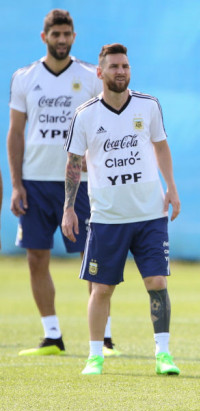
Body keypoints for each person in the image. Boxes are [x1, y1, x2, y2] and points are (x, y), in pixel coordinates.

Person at [62, 43, 181, 376]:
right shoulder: (85, 114)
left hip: (149, 214)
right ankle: (95, 356)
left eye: (125, 66)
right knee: (101, 289)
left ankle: (163, 355)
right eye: (114, 67)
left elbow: (161, 146)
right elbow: (73, 163)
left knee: (157, 282)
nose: (121, 72)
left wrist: (171, 188)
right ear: (100, 73)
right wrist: (68, 208)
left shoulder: (148, 106)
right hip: (107, 217)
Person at [7, 9, 119, 357]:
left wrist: (97, 158)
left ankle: (105, 339)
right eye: (55, 34)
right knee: (36, 258)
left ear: (73, 36)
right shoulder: (24, 77)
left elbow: (108, 118)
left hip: (81, 182)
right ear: (44, 37)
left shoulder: (88, 76)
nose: (61, 40)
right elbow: (15, 132)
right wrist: (16, 183)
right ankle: (51, 335)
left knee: (93, 258)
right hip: (36, 181)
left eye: (66, 34)